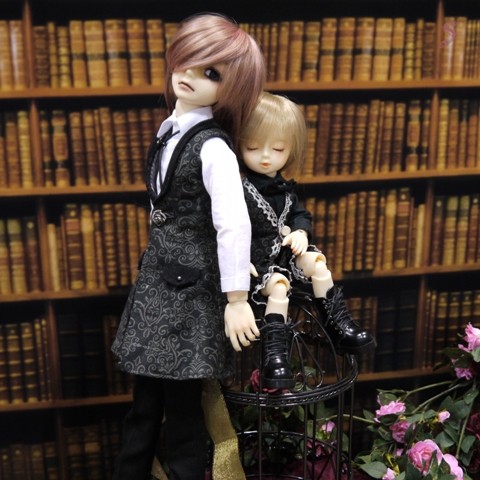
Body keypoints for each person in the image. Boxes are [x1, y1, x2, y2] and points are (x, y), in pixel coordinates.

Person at [111, 13, 265, 480]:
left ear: (230, 88)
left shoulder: (213, 147)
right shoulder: (170, 130)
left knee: (182, 410)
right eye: (188, 61)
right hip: (158, 285)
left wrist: (236, 298)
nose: (190, 75)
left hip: (191, 293)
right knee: (144, 405)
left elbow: (233, 223)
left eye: (210, 72)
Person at [239, 92, 376, 389]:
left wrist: (300, 232)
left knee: (318, 263)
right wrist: (236, 259)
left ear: (290, 149)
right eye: (253, 147)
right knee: (279, 286)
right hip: (257, 261)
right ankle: (275, 353)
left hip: (286, 254)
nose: (265, 156)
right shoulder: (240, 188)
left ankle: (336, 323)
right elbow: (229, 228)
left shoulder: (285, 188)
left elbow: (300, 214)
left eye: (277, 149)